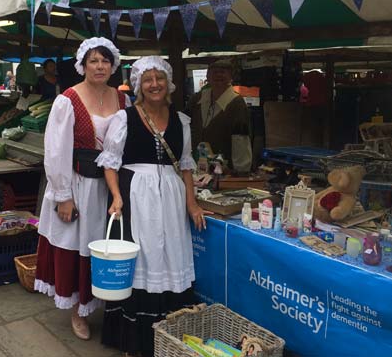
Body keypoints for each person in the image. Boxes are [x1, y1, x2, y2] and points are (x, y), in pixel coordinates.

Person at [97, 56, 210, 357]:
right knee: (143, 257)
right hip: (136, 196)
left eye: (159, 78)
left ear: (168, 83)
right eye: (147, 79)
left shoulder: (181, 120)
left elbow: (185, 167)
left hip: (171, 198)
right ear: (138, 85)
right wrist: (116, 196)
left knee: (171, 253)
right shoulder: (124, 118)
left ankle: (171, 333)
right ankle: (136, 340)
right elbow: (109, 163)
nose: (154, 84)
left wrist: (192, 203)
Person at [34, 37, 130, 341]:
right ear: (83, 65)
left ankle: (100, 302)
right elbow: (55, 150)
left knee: (104, 247)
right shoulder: (68, 99)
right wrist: (63, 196)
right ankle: (78, 310)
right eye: (93, 60)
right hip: (78, 185)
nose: (100, 66)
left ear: (113, 64)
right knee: (79, 247)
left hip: (109, 186)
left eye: (105, 60)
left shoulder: (123, 99)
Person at [187, 59, 252, 173]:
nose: (218, 75)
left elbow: (241, 139)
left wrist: (240, 170)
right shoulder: (198, 98)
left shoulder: (236, 103)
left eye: (223, 71)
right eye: (214, 71)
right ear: (207, 75)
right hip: (196, 166)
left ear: (231, 76)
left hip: (224, 169)